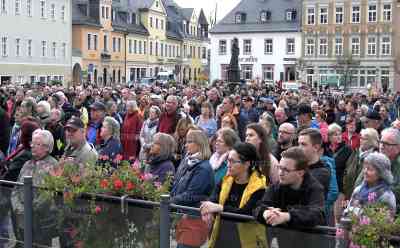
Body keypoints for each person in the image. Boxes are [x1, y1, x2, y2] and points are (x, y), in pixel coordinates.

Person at [201, 142, 266, 248]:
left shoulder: (259, 187)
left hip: (246, 243)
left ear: (246, 164)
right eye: (228, 160)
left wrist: (219, 208)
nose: (228, 164)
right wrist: (209, 211)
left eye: (232, 161)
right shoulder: (226, 180)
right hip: (221, 239)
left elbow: (246, 214)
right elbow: (214, 198)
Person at [253, 147, 325, 228]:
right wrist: (265, 213)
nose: (280, 173)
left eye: (286, 170)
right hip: (282, 237)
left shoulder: (315, 188)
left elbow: (317, 215)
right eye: (279, 167)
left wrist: (287, 216)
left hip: (310, 238)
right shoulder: (276, 186)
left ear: (300, 173)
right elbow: (259, 207)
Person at [11, 129, 58, 246]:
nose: (32, 146)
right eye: (32, 143)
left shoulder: (53, 165)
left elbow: (49, 195)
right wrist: (18, 207)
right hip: (21, 220)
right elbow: (15, 189)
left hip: (41, 223)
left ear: (47, 147)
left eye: (37, 144)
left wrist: (29, 209)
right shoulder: (27, 164)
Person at [171, 129, 215, 207]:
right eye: (186, 142)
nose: (186, 145)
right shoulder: (186, 161)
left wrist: (169, 201)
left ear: (200, 144)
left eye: (189, 142)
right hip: (178, 209)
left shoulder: (203, 168)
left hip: (190, 213)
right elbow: (176, 185)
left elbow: (191, 195)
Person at [344, 152, 396, 217]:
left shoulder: (386, 196)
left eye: (370, 169)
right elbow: (347, 213)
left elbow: (385, 222)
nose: (365, 172)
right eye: (365, 168)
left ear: (381, 173)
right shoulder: (358, 190)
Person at [344, 128, 380, 198]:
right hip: (348, 195)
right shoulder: (355, 152)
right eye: (361, 138)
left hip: (363, 198)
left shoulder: (375, 157)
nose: (361, 140)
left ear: (372, 141)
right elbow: (347, 170)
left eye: (364, 139)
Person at [298, 128, 331, 195]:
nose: (299, 148)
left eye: (303, 144)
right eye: (299, 144)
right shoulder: (299, 166)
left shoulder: (322, 172)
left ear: (316, 147)